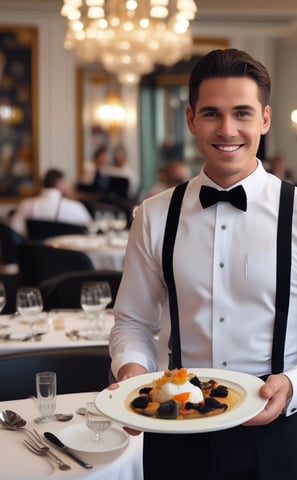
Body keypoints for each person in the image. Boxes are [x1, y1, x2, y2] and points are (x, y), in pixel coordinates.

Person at [109, 48, 297, 479]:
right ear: (191, 119)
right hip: (174, 427)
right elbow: (133, 321)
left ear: (265, 120)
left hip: (279, 432)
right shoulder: (155, 214)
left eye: (242, 114)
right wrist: (133, 374)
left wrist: (292, 385)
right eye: (212, 113)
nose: (227, 129)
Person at [9, 168, 92, 236]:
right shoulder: (76, 207)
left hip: (34, 255)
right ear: (59, 184)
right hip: (68, 255)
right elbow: (90, 231)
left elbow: (14, 231)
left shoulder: (26, 204)